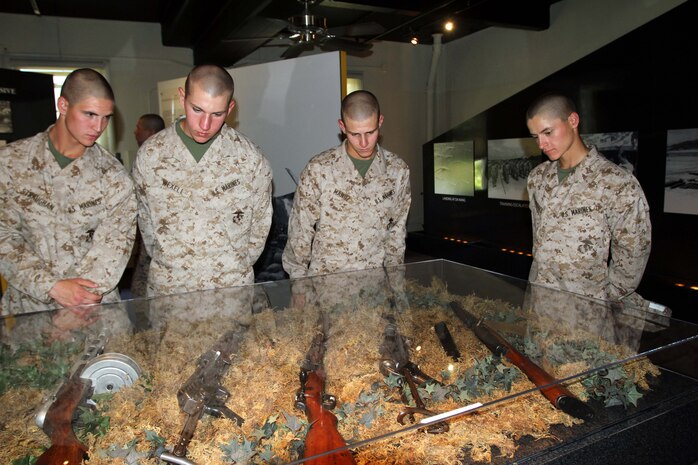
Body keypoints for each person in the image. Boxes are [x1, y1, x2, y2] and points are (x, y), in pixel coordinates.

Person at [0, 68, 137, 315]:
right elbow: (4, 237)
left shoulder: (114, 178)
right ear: (63, 105)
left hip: (94, 312)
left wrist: (76, 308)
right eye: (90, 114)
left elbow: (112, 250)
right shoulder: (10, 163)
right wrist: (50, 286)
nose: (99, 126)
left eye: (106, 117)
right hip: (30, 312)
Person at [132, 64, 272, 297]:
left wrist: (231, 268)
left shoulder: (250, 159)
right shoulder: (152, 155)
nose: (205, 125)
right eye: (197, 109)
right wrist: (173, 264)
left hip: (230, 291)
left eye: (217, 114)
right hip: (171, 290)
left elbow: (259, 229)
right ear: (182, 97)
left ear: (230, 109)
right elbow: (147, 224)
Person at [525, 92, 651, 303]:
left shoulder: (616, 182)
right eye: (536, 136)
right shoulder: (538, 178)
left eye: (548, 132)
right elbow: (539, 240)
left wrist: (602, 298)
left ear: (573, 121)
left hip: (585, 309)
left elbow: (634, 251)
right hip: (540, 299)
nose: (541, 144)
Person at [282, 90, 411, 280]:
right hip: (327, 285)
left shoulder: (397, 171)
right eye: (355, 134)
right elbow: (300, 231)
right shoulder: (319, 169)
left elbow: (397, 233)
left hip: (374, 285)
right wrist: (299, 284)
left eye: (370, 132)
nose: (364, 142)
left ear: (380, 122)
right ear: (342, 126)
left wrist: (396, 282)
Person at [129, 113, 165, 298]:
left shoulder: (158, 159)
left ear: (150, 132)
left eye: (139, 127)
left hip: (158, 234)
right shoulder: (145, 158)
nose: (135, 132)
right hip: (147, 233)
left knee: (143, 286)